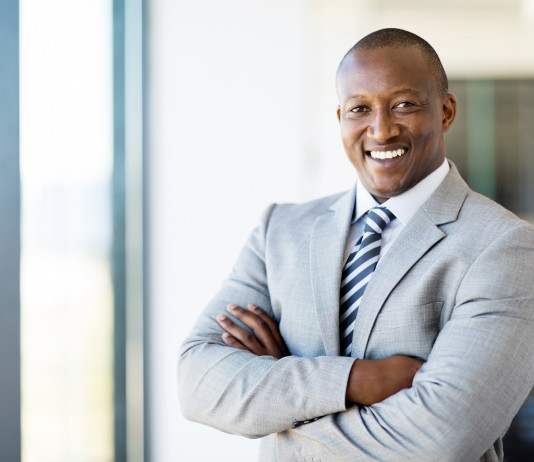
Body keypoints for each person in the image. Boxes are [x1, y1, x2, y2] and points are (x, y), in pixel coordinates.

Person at [178, 28, 534, 462]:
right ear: (341, 119)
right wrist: (355, 380)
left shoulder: (506, 246)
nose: (381, 131)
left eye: (404, 105)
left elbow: (441, 438)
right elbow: (197, 383)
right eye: (359, 108)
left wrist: (280, 408)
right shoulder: (280, 231)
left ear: (445, 111)